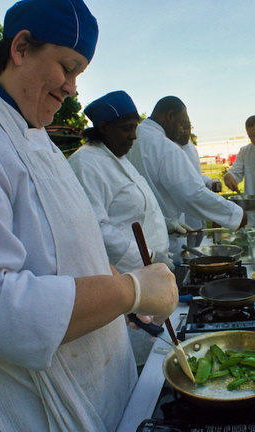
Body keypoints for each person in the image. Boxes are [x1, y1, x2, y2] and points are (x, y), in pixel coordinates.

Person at [0, 1, 178, 430]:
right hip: (28, 403)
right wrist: (128, 290)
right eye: (67, 67)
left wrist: (121, 291)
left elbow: (75, 244)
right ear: (20, 48)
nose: (72, 87)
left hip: (97, 377)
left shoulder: (38, 138)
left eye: (79, 75)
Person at [68, 90, 178, 368]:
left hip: (149, 271)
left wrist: (168, 226)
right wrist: (149, 257)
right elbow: (96, 228)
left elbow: (138, 211)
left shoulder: (119, 158)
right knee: (138, 354)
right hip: (126, 276)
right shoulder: (86, 163)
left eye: (135, 128)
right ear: (103, 127)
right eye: (127, 129)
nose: (134, 136)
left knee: (158, 348)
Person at [127, 96, 246, 261]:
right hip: (162, 242)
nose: (182, 130)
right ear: (170, 116)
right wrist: (235, 214)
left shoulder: (134, 138)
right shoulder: (165, 146)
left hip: (140, 237)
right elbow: (192, 195)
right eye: (181, 123)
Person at [175, 120, 222, 247]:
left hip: (197, 214)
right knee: (187, 248)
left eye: (188, 127)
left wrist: (209, 182)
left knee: (198, 243)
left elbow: (196, 175)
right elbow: (183, 183)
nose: (185, 131)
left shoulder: (190, 146)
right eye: (182, 128)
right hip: (183, 215)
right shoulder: (172, 149)